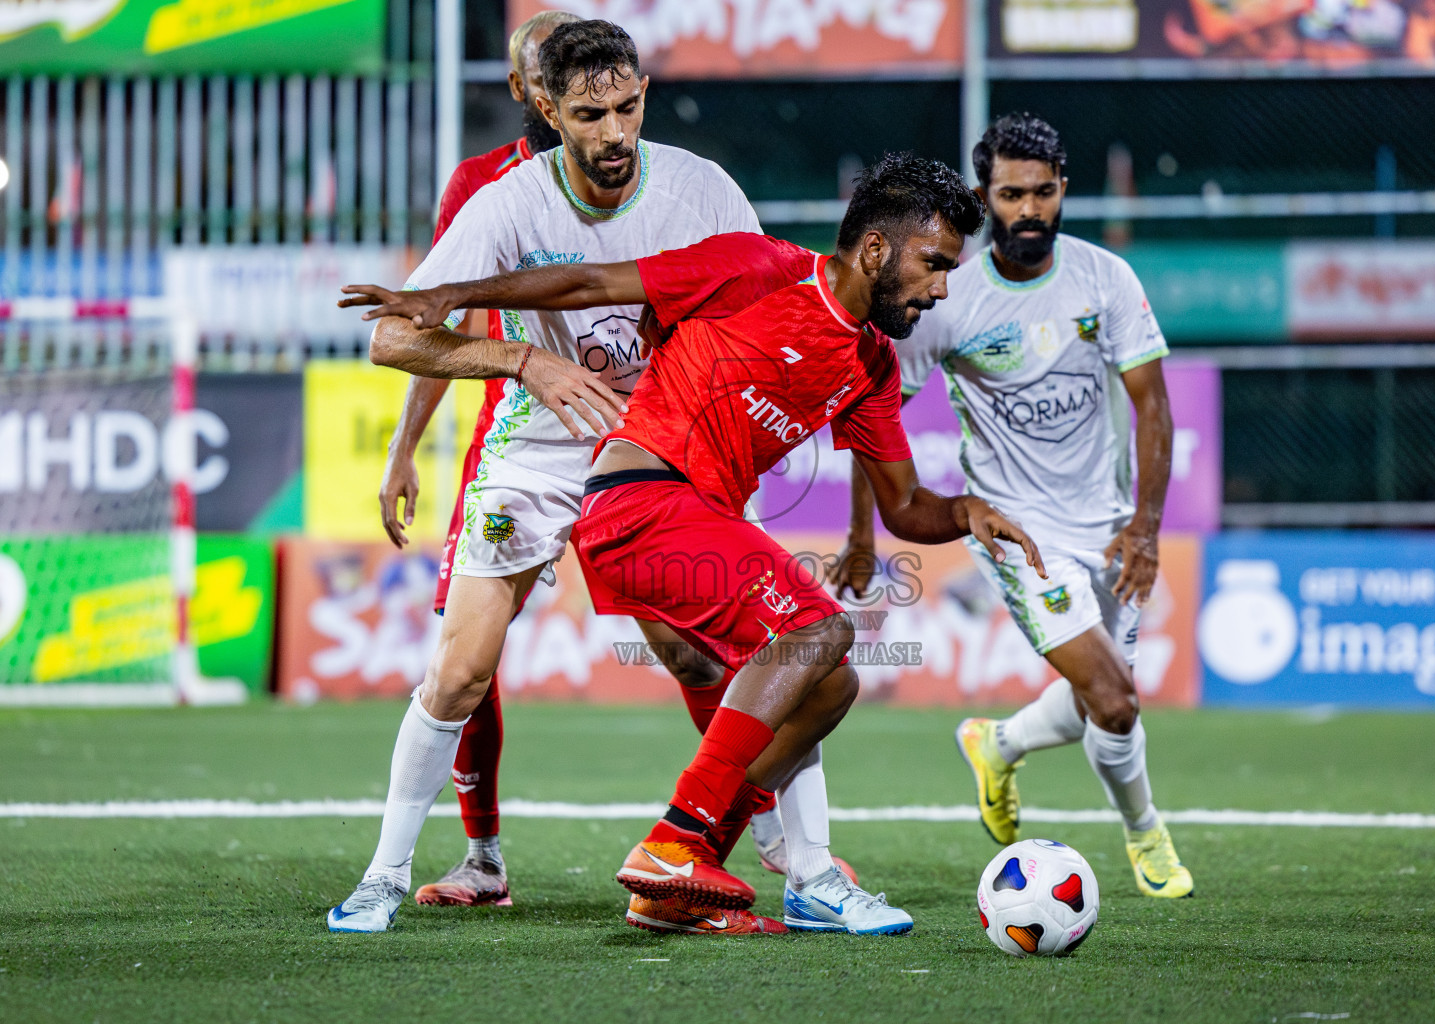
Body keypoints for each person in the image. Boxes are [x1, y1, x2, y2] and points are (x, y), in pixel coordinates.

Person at [343, 152, 1047, 935]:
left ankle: (684, 881)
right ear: (876, 251)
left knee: (828, 686)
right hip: (637, 495)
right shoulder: (759, 268)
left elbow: (908, 506)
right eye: (935, 264)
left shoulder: (873, 363)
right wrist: (451, 293)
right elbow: (588, 282)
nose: (942, 287)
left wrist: (971, 512)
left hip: (695, 518)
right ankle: (681, 843)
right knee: (814, 631)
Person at [328, 19, 850, 937]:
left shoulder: (703, 191)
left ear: (644, 90)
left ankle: (806, 868)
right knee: (458, 676)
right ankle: (383, 875)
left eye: (626, 107)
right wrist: (524, 364)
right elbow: (395, 335)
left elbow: (761, 312)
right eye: (589, 115)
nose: (613, 133)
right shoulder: (504, 204)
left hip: (663, 451)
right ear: (546, 110)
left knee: (739, 650)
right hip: (536, 444)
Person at [838, 113, 1194, 899]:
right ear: (983, 196)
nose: (1028, 209)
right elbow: (873, 410)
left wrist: (1144, 527)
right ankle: (1146, 835)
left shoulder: (1105, 280)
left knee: (1104, 703)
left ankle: (998, 744)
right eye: (1010, 194)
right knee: (1116, 698)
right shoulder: (948, 295)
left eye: (1042, 192)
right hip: (1014, 529)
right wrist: (862, 535)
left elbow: (1153, 407)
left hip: (1105, 526)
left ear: (1063, 190)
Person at [378, 6, 577, 912]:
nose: (558, 86)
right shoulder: (483, 185)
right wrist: (404, 448)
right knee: (466, 660)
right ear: (522, 89)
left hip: (634, 436)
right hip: (518, 443)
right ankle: (483, 856)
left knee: (689, 638)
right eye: (545, 71)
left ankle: (768, 839)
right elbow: (436, 323)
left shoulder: (646, 180)